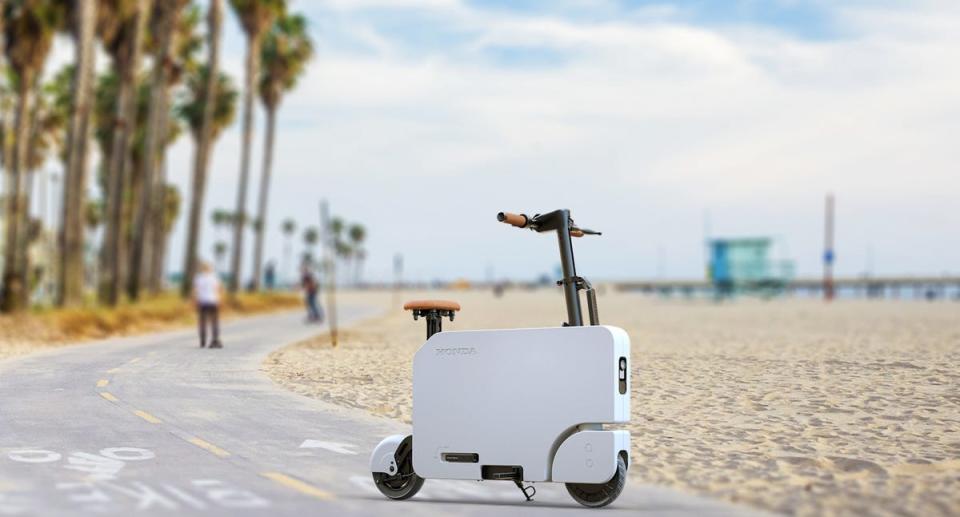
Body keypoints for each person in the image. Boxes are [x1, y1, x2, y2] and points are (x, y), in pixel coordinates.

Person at [193, 261, 224, 348]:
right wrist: (220, 300)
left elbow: (196, 290)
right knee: (214, 321)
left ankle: (202, 341)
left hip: (203, 301)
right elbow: (218, 289)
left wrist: (195, 300)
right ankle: (215, 339)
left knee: (202, 321)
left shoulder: (198, 278)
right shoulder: (214, 277)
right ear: (210, 268)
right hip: (213, 301)